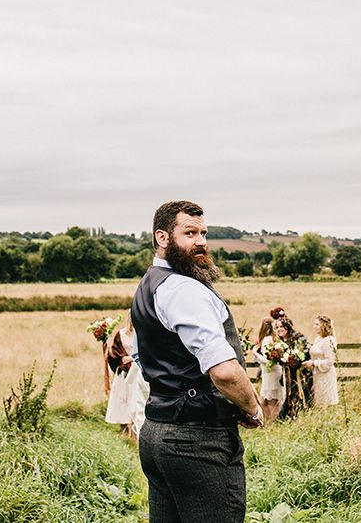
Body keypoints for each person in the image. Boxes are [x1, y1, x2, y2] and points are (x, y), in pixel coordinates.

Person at [131, 200, 264, 523]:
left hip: (157, 434)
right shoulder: (184, 289)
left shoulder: (147, 286)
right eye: (190, 233)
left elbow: (138, 354)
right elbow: (224, 371)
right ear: (162, 238)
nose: (201, 241)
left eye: (203, 233)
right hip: (196, 440)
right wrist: (251, 407)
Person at [105, 313, 141, 437]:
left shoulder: (142, 334)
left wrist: (132, 359)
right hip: (124, 373)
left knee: (135, 399)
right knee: (122, 399)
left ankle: (135, 429)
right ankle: (123, 428)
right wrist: (120, 360)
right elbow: (114, 353)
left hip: (137, 373)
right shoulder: (121, 334)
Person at [275, 317, 312, 419]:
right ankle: (289, 417)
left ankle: (301, 416)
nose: (278, 329)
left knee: (300, 396)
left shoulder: (299, 337)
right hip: (288, 375)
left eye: (281, 326)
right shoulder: (280, 342)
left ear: (287, 327)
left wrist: (293, 360)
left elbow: (303, 354)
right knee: (289, 395)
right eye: (277, 327)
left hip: (300, 375)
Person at [251, 317, 286, 423]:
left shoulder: (267, 340)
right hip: (269, 373)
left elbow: (267, 361)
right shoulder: (271, 339)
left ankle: (272, 423)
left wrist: (255, 353)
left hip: (271, 373)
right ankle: (268, 424)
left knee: (271, 401)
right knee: (265, 400)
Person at [303, 314, 339, 407]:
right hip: (317, 374)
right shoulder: (318, 338)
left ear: (324, 326)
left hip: (325, 374)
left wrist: (314, 363)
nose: (314, 327)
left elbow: (330, 361)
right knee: (318, 402)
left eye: (317, 324)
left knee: (326, 402)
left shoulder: (329, 340)